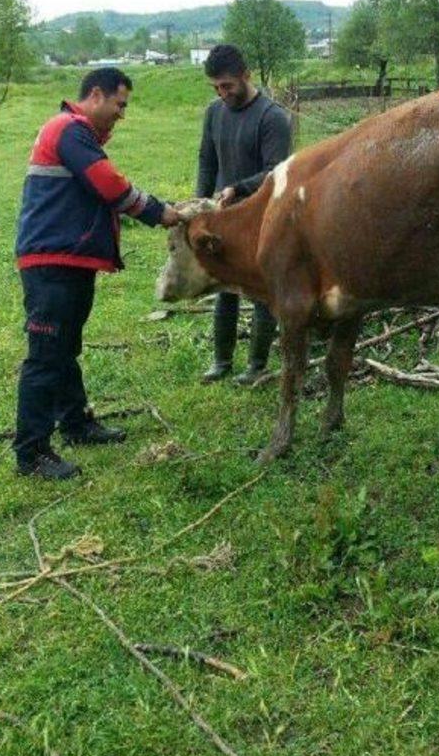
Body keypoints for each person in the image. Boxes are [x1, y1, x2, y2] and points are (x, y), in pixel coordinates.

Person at [14, 67, 180, 480]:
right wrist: (162, 213)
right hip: (51, 262)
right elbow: (109, 185)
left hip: (69, 260)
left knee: (64, 348)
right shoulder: (69, 129)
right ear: (96, 95)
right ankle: (31, 452)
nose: (122, 115)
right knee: (45, 355)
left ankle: (75, 424)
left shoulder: (73, 132)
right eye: (120, 104)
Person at [196, 44, 292, 384]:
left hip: (259, 218)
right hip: (222, 216)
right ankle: (221, 361)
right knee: (224, 288)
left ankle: (256, 366)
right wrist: (200, 204)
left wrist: (237, 188)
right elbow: (207, 161)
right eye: (217, 88)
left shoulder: (273, 117)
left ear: (246, 76)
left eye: (228, 86)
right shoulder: (213, 112)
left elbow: (275, 171)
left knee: (261, 292)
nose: (223, 94)